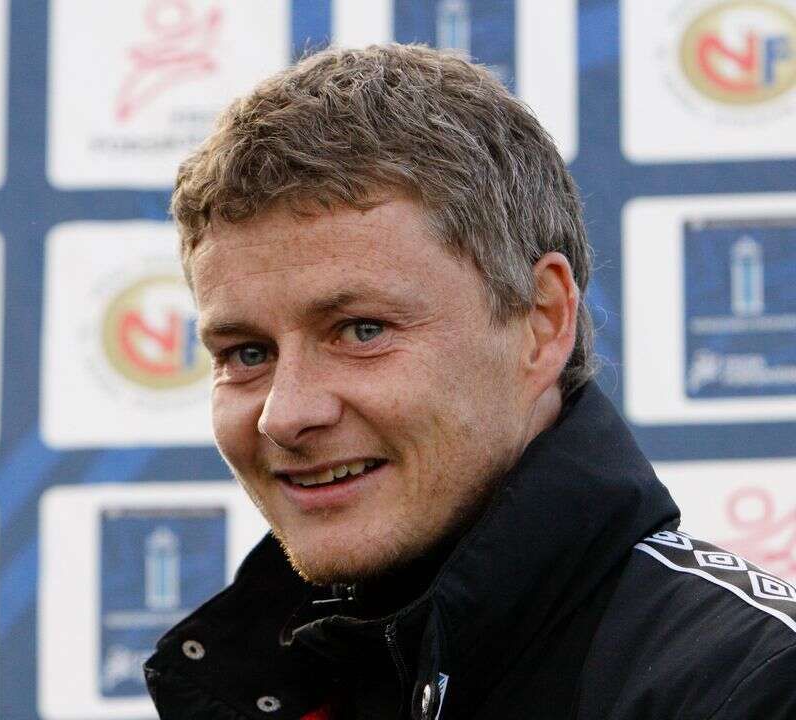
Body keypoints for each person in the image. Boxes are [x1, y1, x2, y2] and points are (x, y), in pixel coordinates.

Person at [143, 44, 796, 719]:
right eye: (248, 353)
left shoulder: (752, 687)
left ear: (541, 322)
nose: (285, 414)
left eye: (361, 331)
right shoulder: (269, 683)